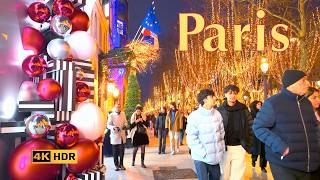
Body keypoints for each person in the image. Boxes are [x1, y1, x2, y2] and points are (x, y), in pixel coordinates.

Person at [253, 69, 320, 180]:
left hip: (309, 165)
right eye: (303, 80)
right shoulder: (273, 103)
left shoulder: (307, 103)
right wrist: (281, 147)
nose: (308, 83)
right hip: (284, 164)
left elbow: (314, 128)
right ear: (292, 83)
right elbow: (258, 127)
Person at [187, 89, 225, 180]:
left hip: (215, 158)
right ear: (205, 100)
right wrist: (203, 153)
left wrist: (221, 149)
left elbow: (221, 133)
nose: (215, 98)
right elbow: (192, 138)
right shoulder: (194, 116)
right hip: (201, 158)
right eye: (212, 97)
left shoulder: (217, 114)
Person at [217, 84, 253, 180]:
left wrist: (248, 145)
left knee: (237, 176)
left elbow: (250, 126)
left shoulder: (243, 109)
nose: (233, 95)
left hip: (239, 147)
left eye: (235, 93)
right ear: (225, 95)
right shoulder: (220, 110)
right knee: (224, 175)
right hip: (225, 148)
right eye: (230, 93)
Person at [107, 104, 128, 171]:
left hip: (122, 135)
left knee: (122, 151)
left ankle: (121, 164)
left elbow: (126, 122)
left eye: (119, 107)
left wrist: (125, 125)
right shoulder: (111, 115)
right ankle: (116, 165)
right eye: (117, 107)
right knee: (115, 152)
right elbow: (108, 125)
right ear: (114, 108)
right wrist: (113, 128)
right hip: (115, 135)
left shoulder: (123, 114)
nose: (118, 108)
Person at [305, 87, 320, 180]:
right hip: (313, 160)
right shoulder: (303, 117)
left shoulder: (317, 112)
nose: (318, 100)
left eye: (318, 97)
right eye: (314, 97)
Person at [249, 100, 267, 173]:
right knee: (255, 150)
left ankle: (263, 166)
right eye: (258, 104)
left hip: (263, 134)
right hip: (255, 135)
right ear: (254, 105)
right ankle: (253, 160)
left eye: (260, 104)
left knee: (263, 151)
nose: (260, 105)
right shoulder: (251, 114)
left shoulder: (264, 113)